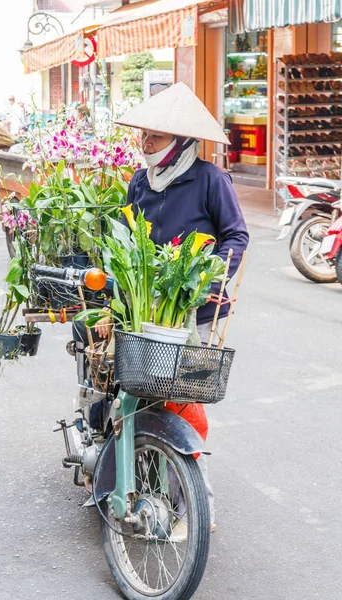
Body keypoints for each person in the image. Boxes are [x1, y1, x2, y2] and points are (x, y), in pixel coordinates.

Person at [111, 82, 249, 539]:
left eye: (154, 138)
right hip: (145, 309)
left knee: (182, 399)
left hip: (197, 313)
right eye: (143, 136)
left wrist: (205, 280)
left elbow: (236, 237)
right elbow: (128, 239)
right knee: (137, 390)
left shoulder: (211, 179)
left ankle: (192, 497)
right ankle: (137, 476)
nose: (144, 144)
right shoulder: (139, 181)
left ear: (179, 142)